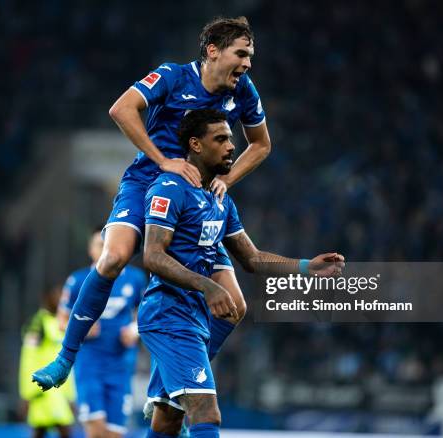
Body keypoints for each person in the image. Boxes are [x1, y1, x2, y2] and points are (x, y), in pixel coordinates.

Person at [33, 16, 272, 391]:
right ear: (212, 51)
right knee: (112, 258)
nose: (247, 63)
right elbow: (121, 109)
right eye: (241, 54)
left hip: (196, 196)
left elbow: (261, 144)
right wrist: (164, 160)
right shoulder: (173, 76)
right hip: (146, 180)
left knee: (237, 306)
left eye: (251, 56)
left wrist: (226, 179)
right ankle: (65, 357)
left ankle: (168, 385)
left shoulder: (243, 91)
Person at [140, 109, 344, 437]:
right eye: (220, 139)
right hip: (169, 316)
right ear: (195, 145)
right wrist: (208, 286)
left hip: (195, 320)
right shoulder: (169, 188)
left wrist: (307, 267)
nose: (231, 146)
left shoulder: (221, 201)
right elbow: (152, 255)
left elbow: (253, 258)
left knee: (167, 420)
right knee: (207, 412)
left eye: (231, 139)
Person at [58, 227, 147, 438]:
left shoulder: (135, 279)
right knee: (96, 431)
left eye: (107, 243)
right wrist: (81, 327)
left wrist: (135, 331)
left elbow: (145, 313)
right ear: (90, 250)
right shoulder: (78, 280)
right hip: (89, 365)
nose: (104, 249)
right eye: (99, 244)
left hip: (121, 367)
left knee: (114, 434)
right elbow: (61, 320)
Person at [19, 285, 75, 438]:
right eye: (58, 296)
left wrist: (70, 395)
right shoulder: (38, 323)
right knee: (63, 430)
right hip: (42, 389)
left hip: (59, 390)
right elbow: (28, 357)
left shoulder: (62, 323)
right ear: (48, 299)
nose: (62, 300)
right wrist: (27, 392)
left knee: (41, 431)